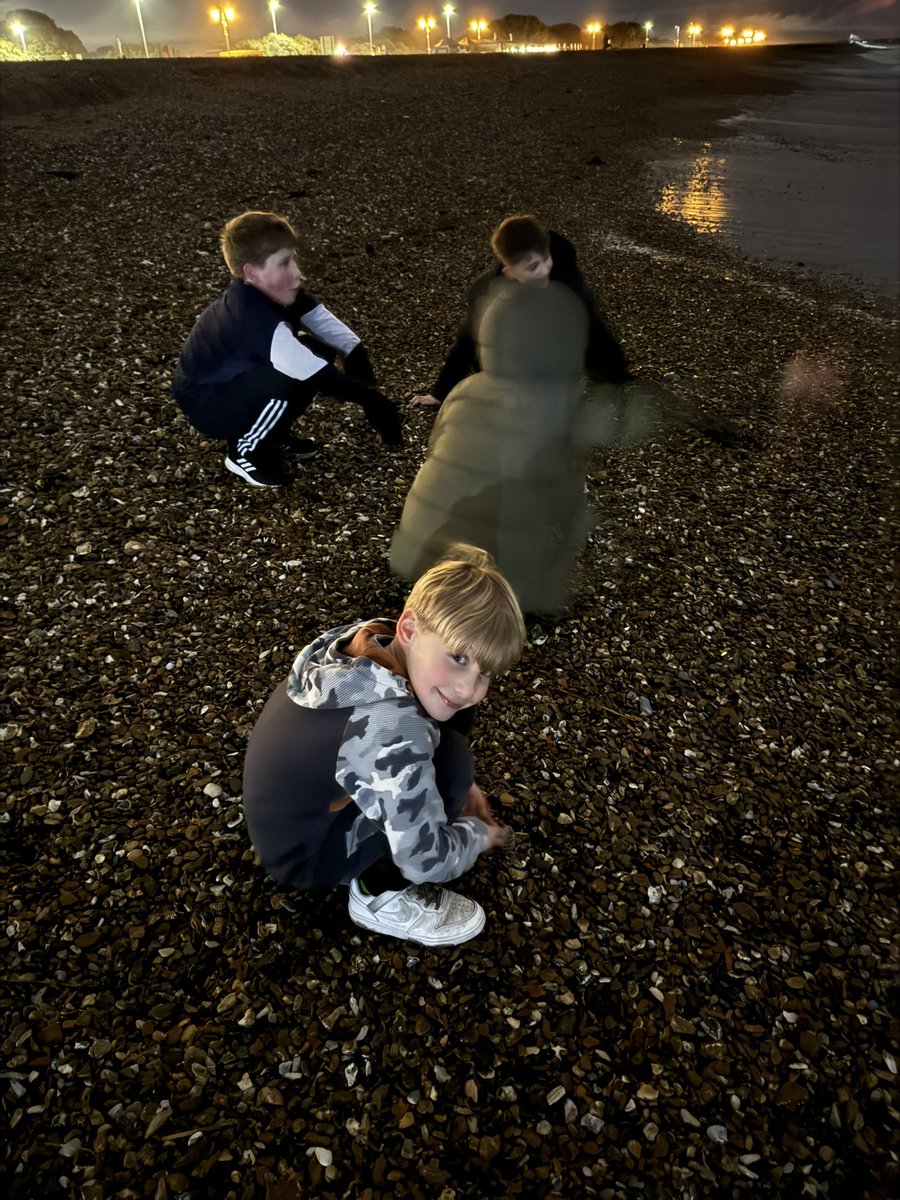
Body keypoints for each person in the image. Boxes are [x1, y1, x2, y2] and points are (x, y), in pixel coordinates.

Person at [242, 544, 526, 946]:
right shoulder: (390, 730)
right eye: (459, 658)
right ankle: (377, 897)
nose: (470, 687)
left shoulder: (370, 636)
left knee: (449, 716)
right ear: (408, 627)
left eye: (486, 672)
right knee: (453, 767)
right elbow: (425, 858)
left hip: (283, 816)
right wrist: (477, 834)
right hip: (305, 856)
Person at [393, 280, 623, 614]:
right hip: (490, 587)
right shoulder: (553, 408)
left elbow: (435, 449)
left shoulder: (464, 390)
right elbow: (554, 487)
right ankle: (525, 596)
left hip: (417, 557)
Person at [172, 211, 402, 488]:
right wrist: (374, 402)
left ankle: (272, 433)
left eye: (293, 258)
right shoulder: (251, 315)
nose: (297, 272)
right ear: (252, 273)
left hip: (234, 381)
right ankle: (245, 450)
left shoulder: (275, 291)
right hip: (208, 405)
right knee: (286, 379)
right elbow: (312, 372)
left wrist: (362, 371)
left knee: (318, 350)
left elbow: (335, 333)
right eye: (283, 263)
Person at [411, 213, 632, 407]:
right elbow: (468, 339)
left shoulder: (565, 283)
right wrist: (439, 392)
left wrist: (618, 378)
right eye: (531, 268)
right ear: (508, 271)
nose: (542, 270)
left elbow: (594, 330)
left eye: (545, 263)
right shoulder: (490, 291)